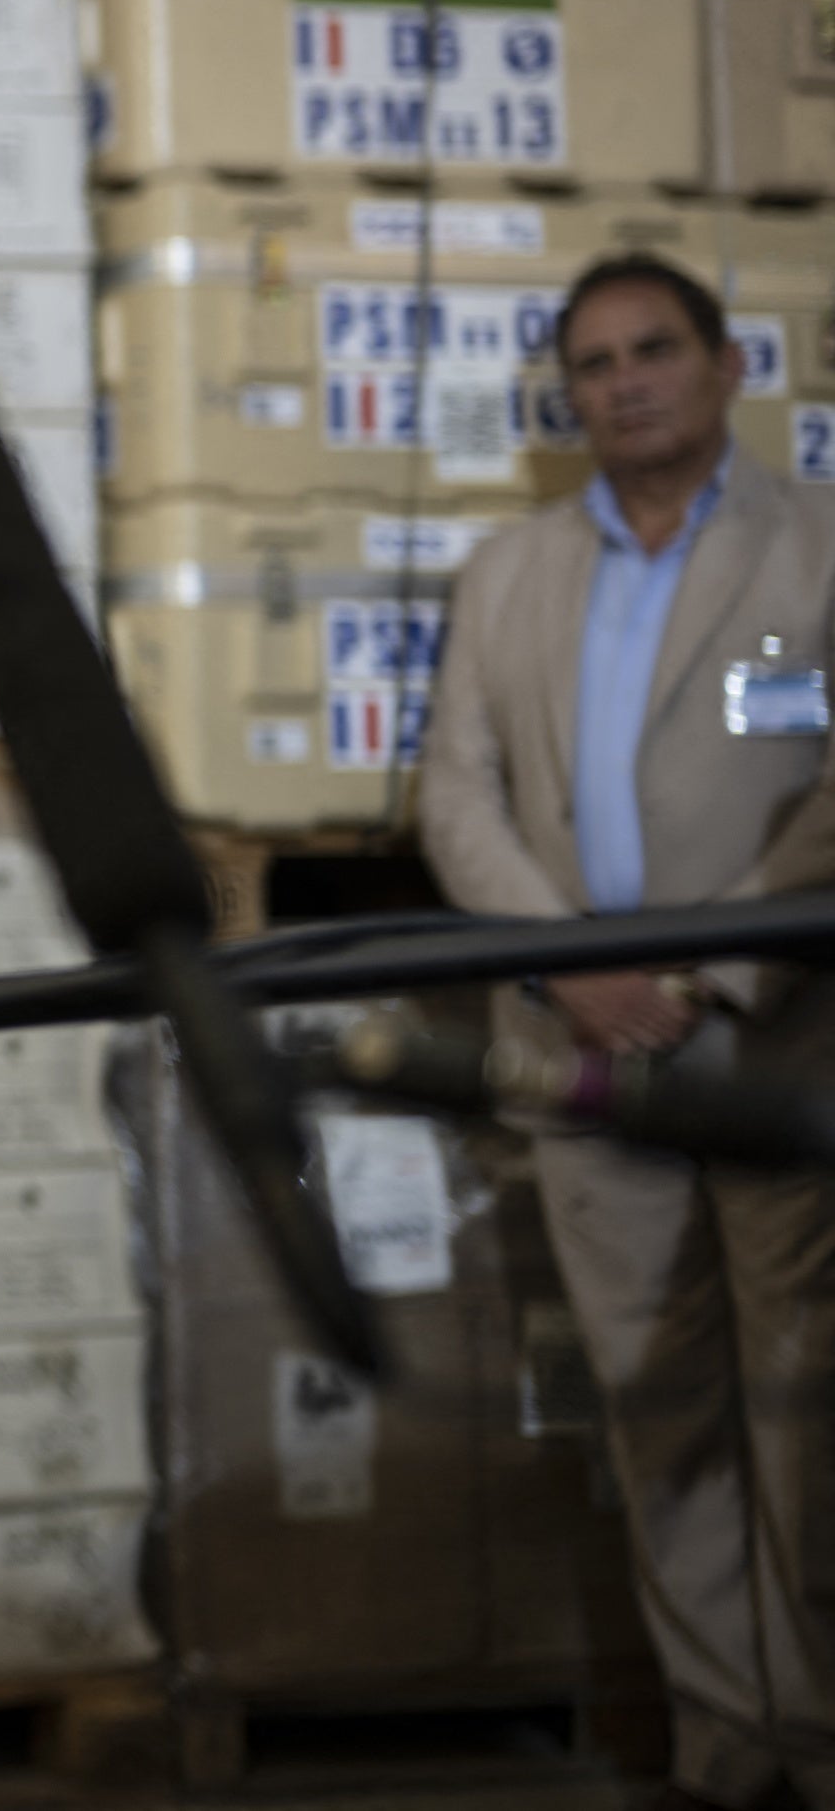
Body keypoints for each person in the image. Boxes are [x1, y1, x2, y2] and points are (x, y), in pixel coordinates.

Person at [420, 250, 835, 1811]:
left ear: (732, 367)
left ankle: (826, 1739)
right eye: (593, 363)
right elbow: (456, 794)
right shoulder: (510, 574)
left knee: (806, 1423)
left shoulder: (817, 549)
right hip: (584, 1054)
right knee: (661, 1421)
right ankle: (731, 1744)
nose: (626, 381)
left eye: (656, 348)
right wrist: (570, 964)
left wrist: (711, 964)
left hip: (777, 1043)